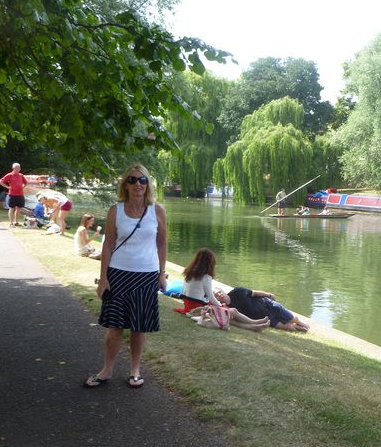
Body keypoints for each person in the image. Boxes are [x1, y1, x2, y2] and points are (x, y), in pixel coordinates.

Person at [85, 164, 167, 389]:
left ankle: (135, 370)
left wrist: (162, 273)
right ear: (125, 184)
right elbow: (108, 245)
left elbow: (161, 244)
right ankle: (107, 369)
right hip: (118, 273)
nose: (137, 185)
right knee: (115, 326)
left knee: (138, 327)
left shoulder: (157, 211)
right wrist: (103, 278)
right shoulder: (116, 211)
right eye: (132, 180)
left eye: (142, 180)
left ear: (148, 184)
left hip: (146, 275)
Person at [175, 248, 270, 330]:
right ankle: (254, 323)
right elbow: (211, 297)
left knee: (226, 314)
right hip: (197, 308)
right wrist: (221, 305)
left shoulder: (188, 273)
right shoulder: (206, 277)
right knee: (232, 311)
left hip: (188, 307)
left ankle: (254, 325)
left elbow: (185, 292)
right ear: (209, 263)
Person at [214, 287, 310, 332]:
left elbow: (254, 293)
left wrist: (268, 295)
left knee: (291, 318)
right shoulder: (227, 308)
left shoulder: (238, 291)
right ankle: (300, 328)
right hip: (264, 318)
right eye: (216, 296)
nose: (219, 295)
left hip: (268, 304)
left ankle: (303, 324)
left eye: (219, 292)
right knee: (287, 327)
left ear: (223, 291)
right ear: (216, 299)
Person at [0, 163, 28, 227]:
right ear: (13, 168)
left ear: (20, 168)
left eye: (18, 168)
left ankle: (16, 222)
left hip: (20, 194)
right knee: (11, 208)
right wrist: (8, 187)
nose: (17, 169)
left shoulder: (21, 175)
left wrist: (23, 186)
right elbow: (0, 181)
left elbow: (26, 182)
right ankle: (11, 222)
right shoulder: (9, 175)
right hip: (12, 194)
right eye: (16, 168)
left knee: (19, 208)